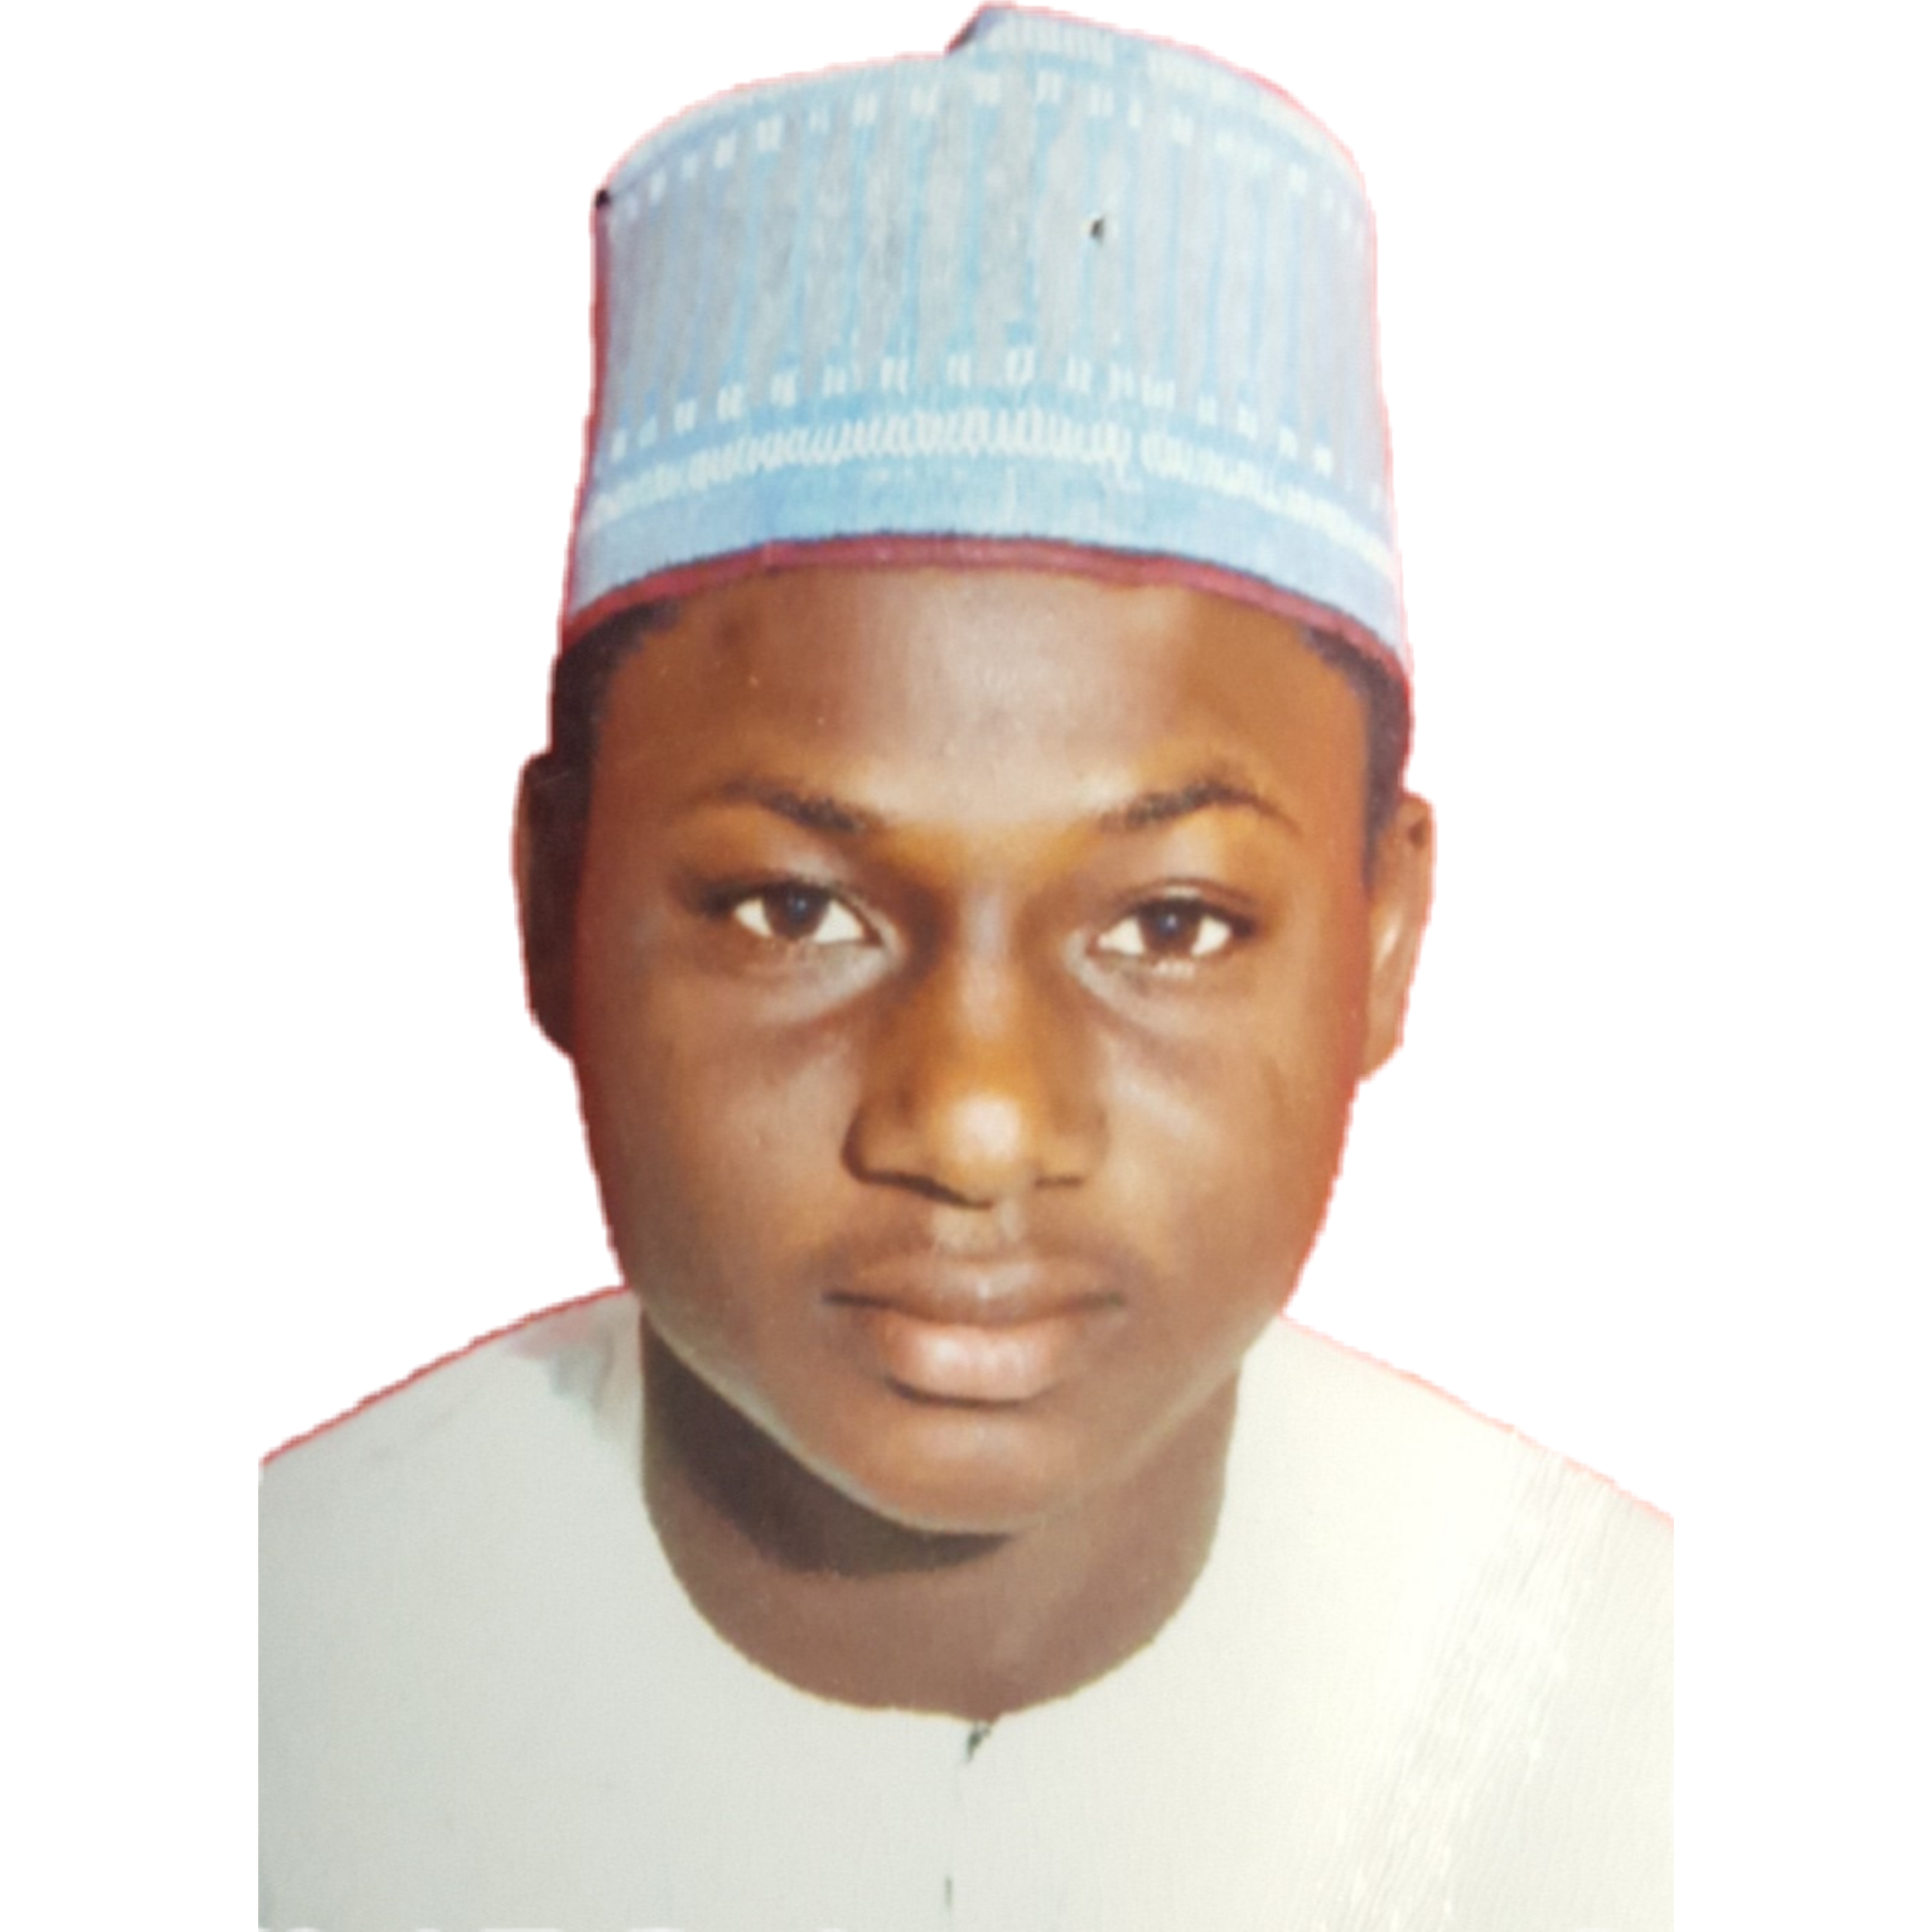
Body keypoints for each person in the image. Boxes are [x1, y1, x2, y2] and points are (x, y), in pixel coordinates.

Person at [259, 8, 1670, 1927]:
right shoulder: (253, 1688)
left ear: (1386, 939)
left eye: (1168, 925)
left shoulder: (1649, 1729)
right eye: (793, 912)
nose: (977, 1123)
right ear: (553, 906)